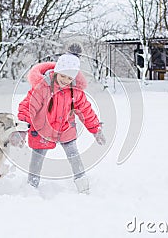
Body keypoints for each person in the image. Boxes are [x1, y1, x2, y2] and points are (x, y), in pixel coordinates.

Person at [18, 53, 106, 194]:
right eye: (63, 76)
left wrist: (96, 129)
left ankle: (82, 184)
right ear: (56, 72)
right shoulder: (42, 88)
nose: (66, 80)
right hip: (42, 130)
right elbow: (28, 107)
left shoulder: (76, 92)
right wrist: (22, 128)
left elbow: (86, 111)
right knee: (37, 159)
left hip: (65, 129)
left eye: (70, 77)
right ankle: (31, 187)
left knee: (74, 155)